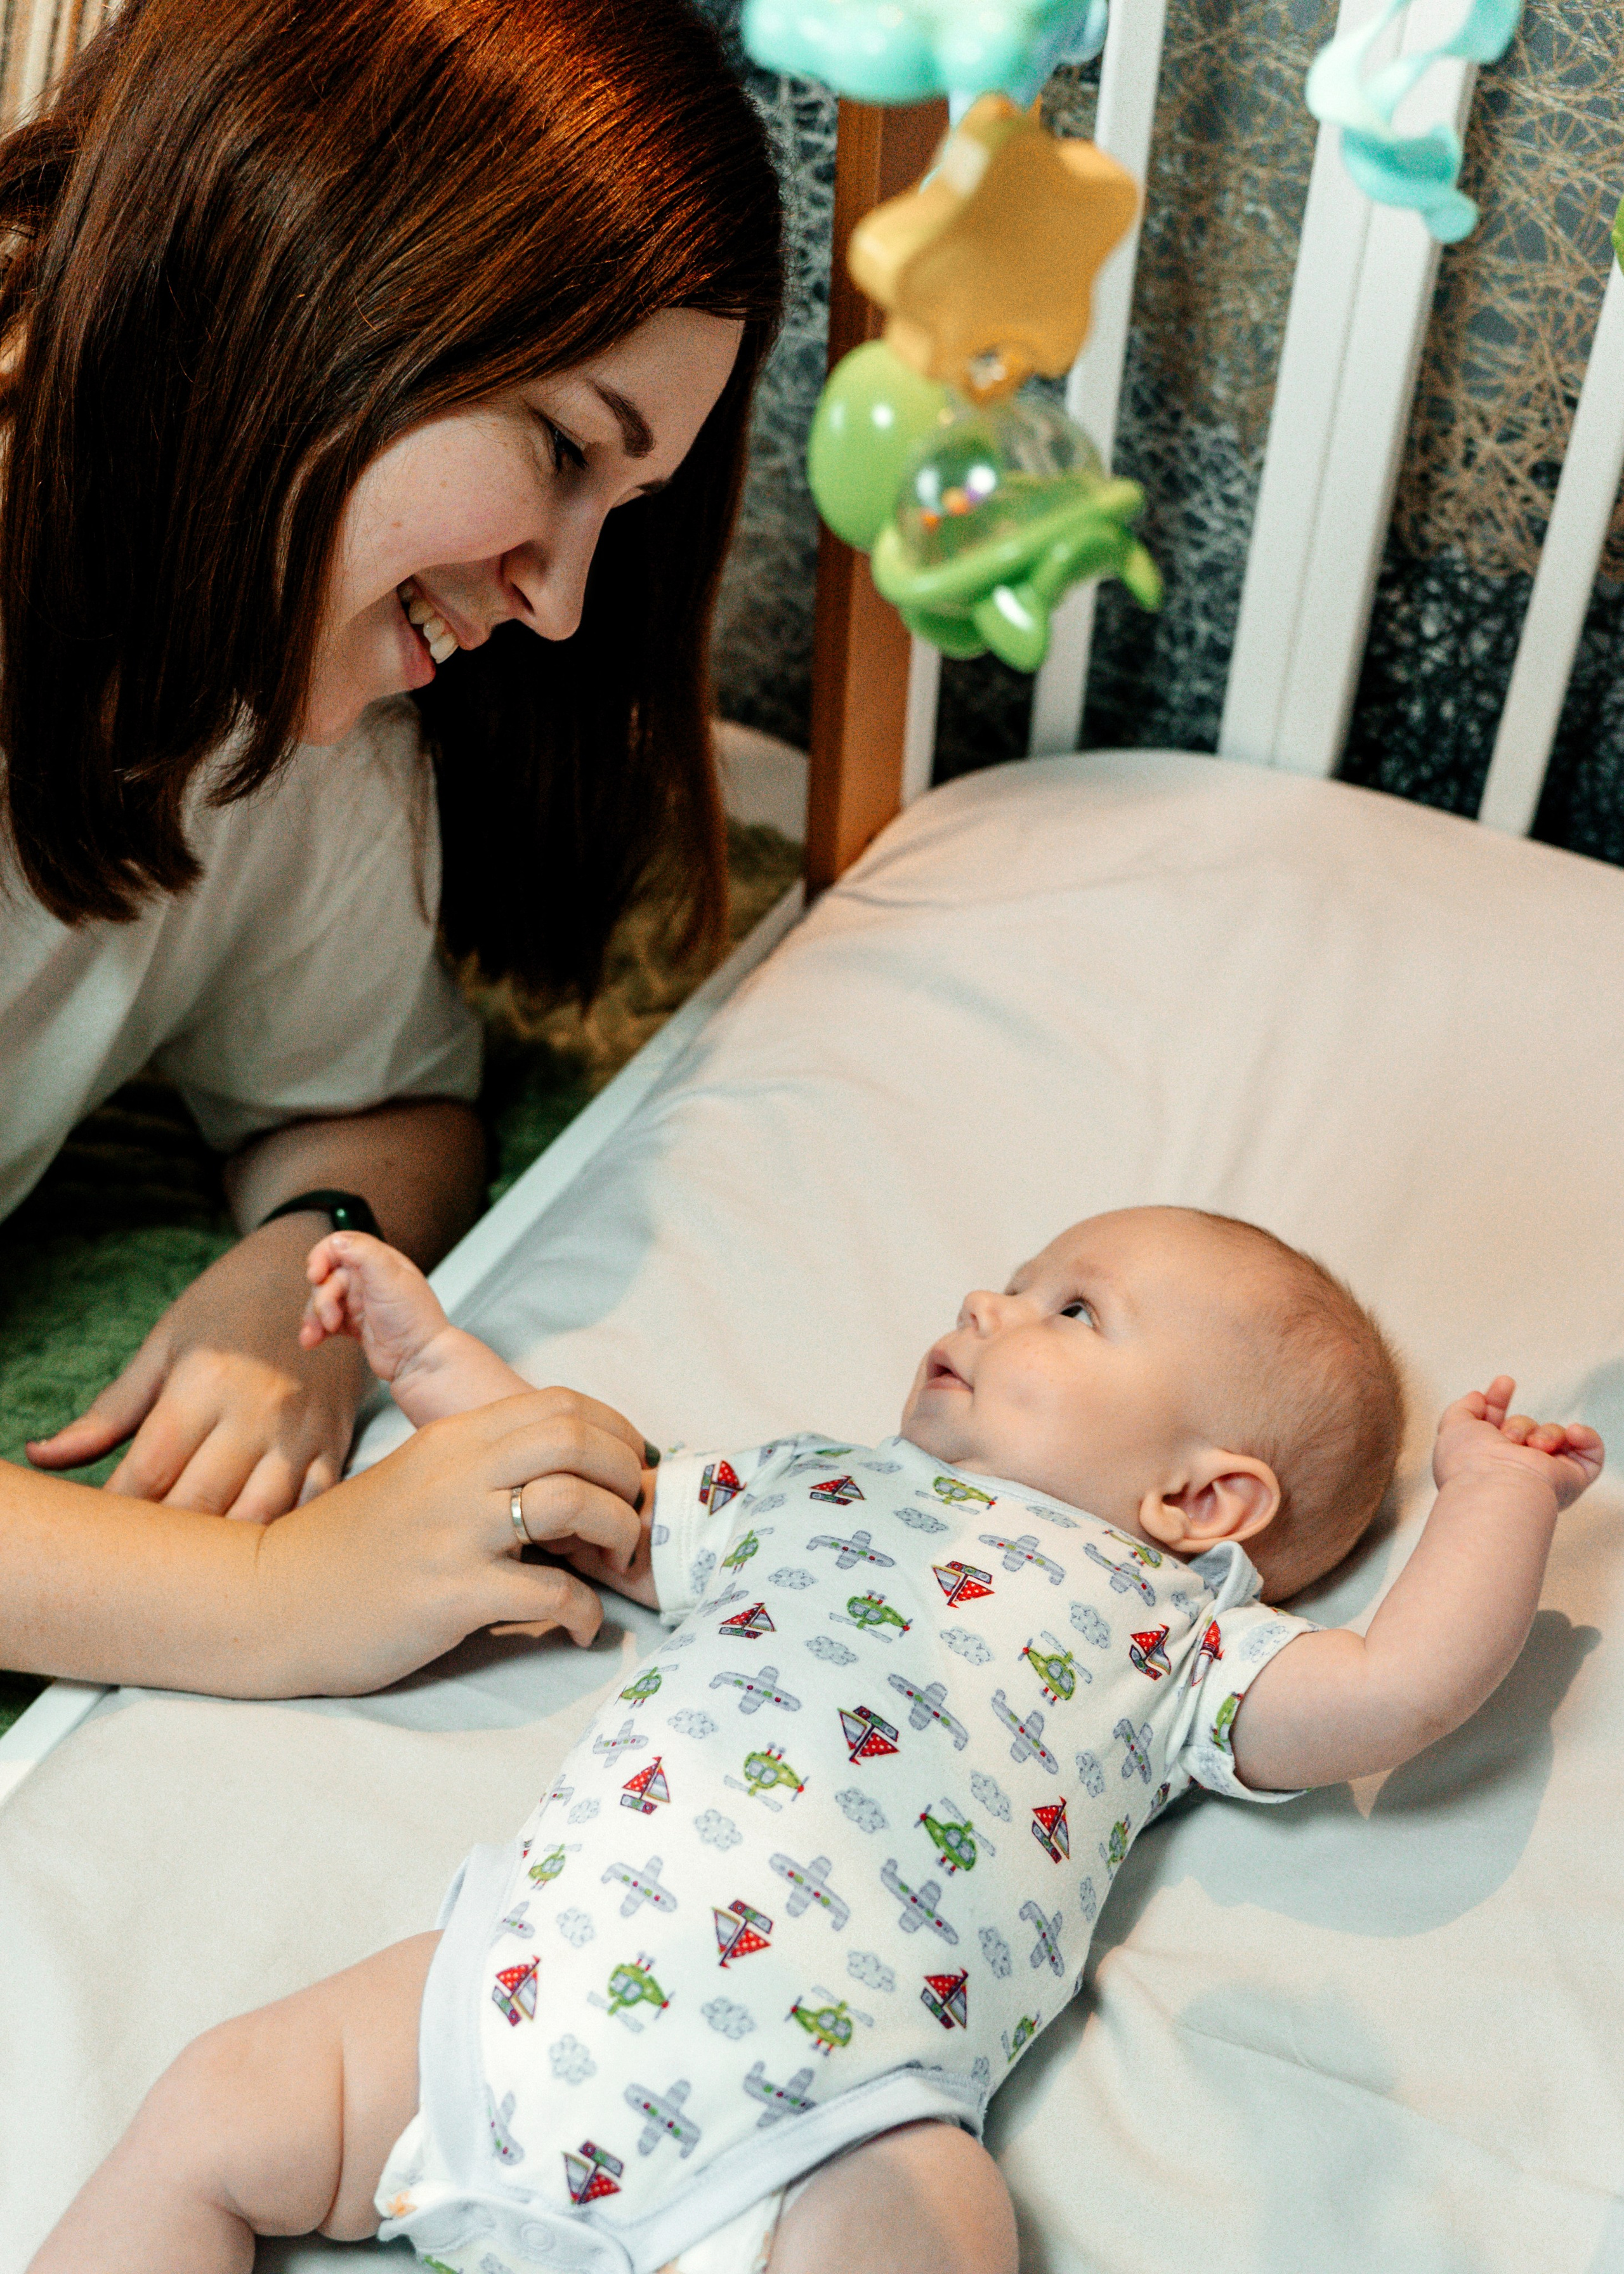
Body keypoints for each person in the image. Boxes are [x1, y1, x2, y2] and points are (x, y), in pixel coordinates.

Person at [34, 1206, 1604, 2274]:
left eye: (1071, 1310)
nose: (986, 1305)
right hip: (529, 1978)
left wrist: (1491, 1499)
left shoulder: (1175, 1638)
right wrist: (435, 1359)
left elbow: (1400, 1688)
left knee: (940, 2225)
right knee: (214, 2110)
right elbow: (601, 1510)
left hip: (843, 2116)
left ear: (1199, 1499)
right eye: (1010, 1277)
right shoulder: (810, 1486)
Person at [0, 0, 782, 1692]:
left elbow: (377, 1098)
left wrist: (314, 1262)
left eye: (616, 521)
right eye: (563, 452)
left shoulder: (289, 717)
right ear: (310, 277)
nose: (562, 606)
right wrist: (271, 1600)